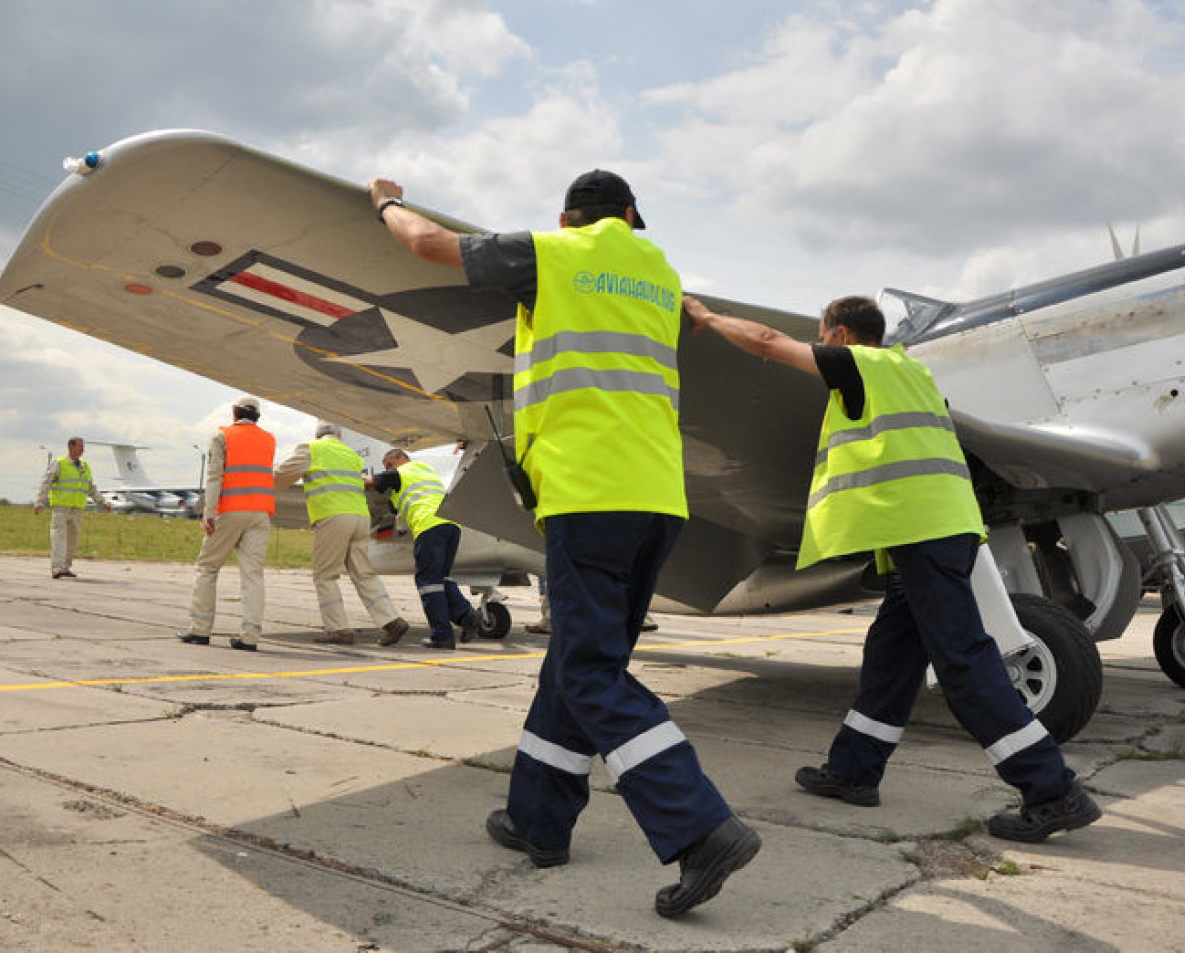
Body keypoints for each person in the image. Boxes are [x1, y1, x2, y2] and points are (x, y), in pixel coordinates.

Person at [366, 170, 759, 918]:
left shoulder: (553, 252)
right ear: (634, 215)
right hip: (659, 497)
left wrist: (384, 199)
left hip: (589, 491)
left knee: (590, 672)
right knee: (581, 660)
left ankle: (699, 827)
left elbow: (424, 242)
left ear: (566, 216)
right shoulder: (660, 271)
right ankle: (538, 822)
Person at [683, 292, 1101, 844]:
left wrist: (709, 319)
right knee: (892, 653)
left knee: (964, 661)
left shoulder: (862, 365)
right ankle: (855, 770)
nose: (820, 344)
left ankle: (1051, 790)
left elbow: (766, 342)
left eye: (823, 334)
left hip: (924, 534)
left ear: (840, 335)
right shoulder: (916, 375)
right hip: (933, 532)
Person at [274, 421, 409, 645]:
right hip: (360, 518)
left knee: (325, 575)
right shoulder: (352, 455)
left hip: (332, 515)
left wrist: (257, 488)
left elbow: (282, 476)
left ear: (318, 435)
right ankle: (392, 620)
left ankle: (338, 630)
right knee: (363, 572)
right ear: (340, 436)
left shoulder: (312, 448)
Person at [179, 396, 275, 652]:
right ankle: (250, 635)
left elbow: (215, 476)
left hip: (230, 510)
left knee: (208, 567)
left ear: (234, 413)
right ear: (258, 416)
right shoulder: (269, 439)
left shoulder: (221, 436)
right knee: (253, 575)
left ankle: (200, 629)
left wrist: (208, 512)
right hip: (260, 513)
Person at [368, 449, 478, 649]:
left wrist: (343, 480)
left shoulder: (401, 472)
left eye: (388, 465)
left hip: (428, 527)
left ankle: (442, 636)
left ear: (397, 460)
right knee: (442, 578)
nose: (387, 470)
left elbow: (370, 482)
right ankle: (465, 615)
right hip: (452, 526)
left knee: (428, 582)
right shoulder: (427, 470)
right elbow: (396, 505)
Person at [34, 436, 111, 578]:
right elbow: (46, 482)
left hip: (77, 510)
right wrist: (40, 502)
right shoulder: (60, 463)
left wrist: (103, 502)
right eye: (80, 446)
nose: (82, 450)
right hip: (61, 508)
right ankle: (56, 568)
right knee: (59, 538)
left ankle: (65, 567)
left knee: (72, 540)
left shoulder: (85, 466)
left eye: (83, 447)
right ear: (70, 447)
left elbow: (91, 488)